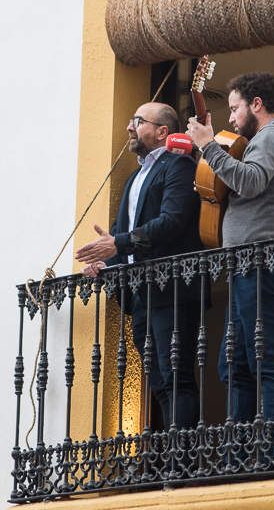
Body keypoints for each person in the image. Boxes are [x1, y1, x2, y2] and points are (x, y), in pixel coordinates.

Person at [76, 102, 202, 431]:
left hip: (171, 290)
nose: (130, 127)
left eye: (138, 121)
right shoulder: (136, 176)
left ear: (162, 132)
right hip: (142, 295)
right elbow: (123, 233)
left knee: (177, 377)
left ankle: (182, 464)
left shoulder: (178, 166)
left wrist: (118, 243)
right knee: (159, 381)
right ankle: (172, 459)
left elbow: (172, 222)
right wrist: (106, 260)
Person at [187, 72, 274, 423]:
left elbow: (252, 181)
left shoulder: (273, 136)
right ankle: (237, 453)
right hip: (247, 265)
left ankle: (272, 449)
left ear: (257, 104)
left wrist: (209, 146)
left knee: (265, 358)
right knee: (234, 363)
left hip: (262, 264)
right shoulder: (262, 139)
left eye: (235, 108)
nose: (231, 118)